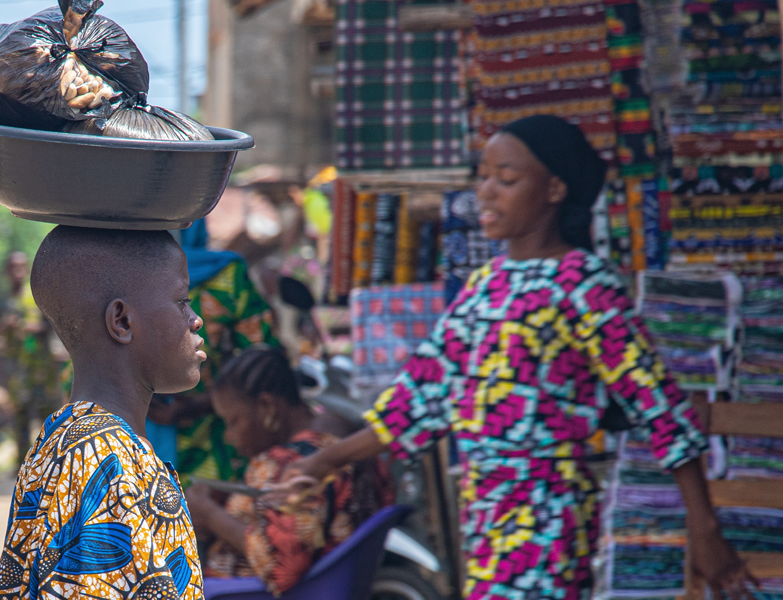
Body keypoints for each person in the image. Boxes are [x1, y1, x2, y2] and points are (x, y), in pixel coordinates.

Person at [280, 115, 757, 600]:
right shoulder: (484, 287)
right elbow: (412, 406)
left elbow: (661, 409)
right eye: (483, 178)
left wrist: (705, 529)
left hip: (549, 519)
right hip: (486, 519)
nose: (486, 192)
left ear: (554, 189)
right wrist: (320, 464)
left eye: (506, 180)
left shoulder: (583, 284)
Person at [0, 226, 205, 599]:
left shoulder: (70, 437)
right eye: (182, 301)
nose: (195, 319)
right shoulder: (103, 462)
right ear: (121, 321)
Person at [186, 349, 391, 596]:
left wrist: (209, 515)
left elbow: (281, 566)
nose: (229, 437)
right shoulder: (348, 443)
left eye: (233, 421)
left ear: (267, 406)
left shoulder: (291, 465)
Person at [150, 219, 278, 485]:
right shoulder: (225, 277)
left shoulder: (123, 274)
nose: (193, 321)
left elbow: (265, 364)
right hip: (212, 440)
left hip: (206, 435)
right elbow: (264, 359)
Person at [0, 250, 61, 463]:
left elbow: (54, 324)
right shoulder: (4, 302)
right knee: (20, 416)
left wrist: (36, 328)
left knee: (46, 416)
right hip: (17, 369)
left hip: (42, 368)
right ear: (7, 272)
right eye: (13, 268)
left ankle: (48, 464)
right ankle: (23, 465)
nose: (18, 272)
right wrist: (4, 326)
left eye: (21, 267)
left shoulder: (37, 296)